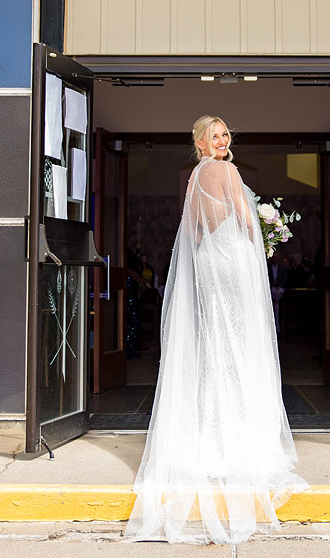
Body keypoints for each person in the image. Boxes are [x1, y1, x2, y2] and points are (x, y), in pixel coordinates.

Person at [123, 116, 308, 544]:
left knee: (215, 350)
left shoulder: (192, 179)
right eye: (215, 135)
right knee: (241, 349)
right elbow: (244, 218)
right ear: (201, 143)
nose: (222, 140)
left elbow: (190, 232)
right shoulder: (228, 171)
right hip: (233, 263)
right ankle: (239, 440)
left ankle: (208, 440)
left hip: (208, 263)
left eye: (226, 134)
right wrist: (261, 237)